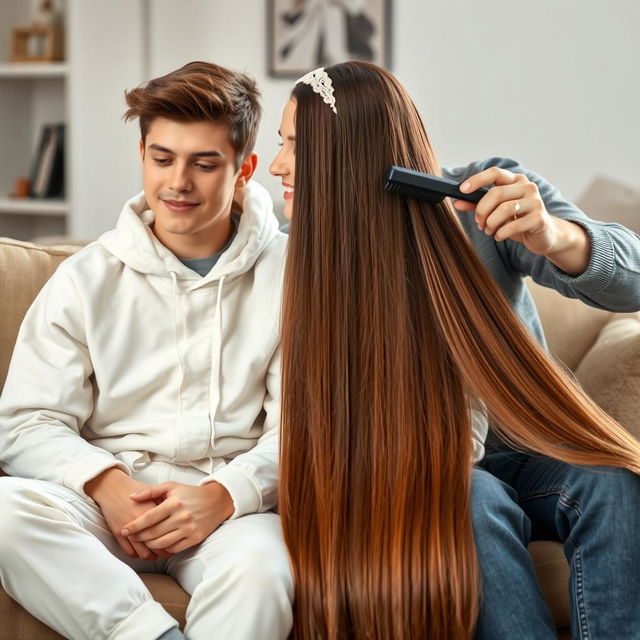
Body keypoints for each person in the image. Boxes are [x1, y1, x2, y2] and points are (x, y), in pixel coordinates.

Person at [269, 61, 640, 640]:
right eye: (281, 144)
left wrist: (555, 236)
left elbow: (634, 283)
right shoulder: (293, 256)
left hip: (529, 442)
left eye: (296, 145)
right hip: (424, 465)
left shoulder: (479, 202)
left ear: (352, 149)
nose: (277, 165)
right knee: (470, 499)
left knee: (613, 480)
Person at [0, 61, 293, 640]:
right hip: (109, 503)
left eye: (204, 164)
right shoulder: (86, 278)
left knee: (265, 572)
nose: (177, 182)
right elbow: (27, 421)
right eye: (162, 159)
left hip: (231, 513)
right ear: (142, 157)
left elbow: (307, 428)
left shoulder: (296, 277)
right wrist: (106, 486)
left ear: (244, 169)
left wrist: (222, 496)